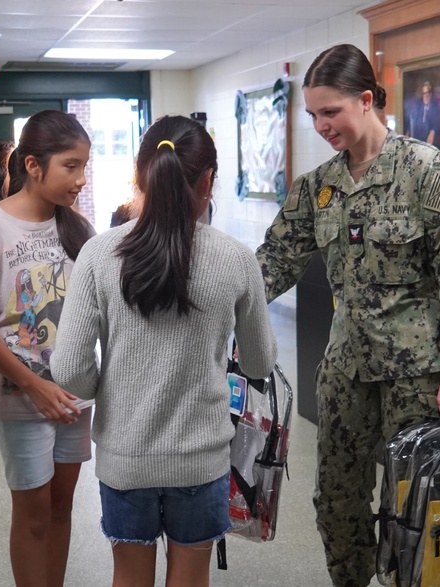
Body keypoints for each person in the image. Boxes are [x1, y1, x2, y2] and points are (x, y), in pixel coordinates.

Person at [255, 44, 440, 587]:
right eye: (312, 114)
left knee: (417, 506)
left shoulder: (426, 172)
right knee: (336, 502)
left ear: (366, 100)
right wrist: (207, 300)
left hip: (419, 377)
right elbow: (270, 266)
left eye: (330, 111)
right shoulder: (318, 189)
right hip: (346, 372)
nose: (320, 125)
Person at [49, 115, 277, 587]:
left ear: (140, 175)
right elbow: (258, 363)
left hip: (125, 457)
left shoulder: (100, 253)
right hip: (202, 458)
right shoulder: (236, 259)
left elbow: (68, 368)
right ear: (208, 180)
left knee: (129, 578)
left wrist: (108, 388)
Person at [0, 110, 94, 587]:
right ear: (33, 165)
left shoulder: (78, 229)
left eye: (84, 167)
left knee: (61, 507)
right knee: (33, 513)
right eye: (70, 166)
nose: (80, 179)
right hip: (22, 396)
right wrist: (32, 384)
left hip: (74, 396)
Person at [405, 80, 440, 151]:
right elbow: (414, 122)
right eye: (424, 93)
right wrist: (407, 133)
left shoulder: (435, 107)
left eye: (428, 93)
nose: (426, 96)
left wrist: (432, 132)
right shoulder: (419, 107)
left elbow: (437, 125)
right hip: (418, 142)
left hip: (430, 146)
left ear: (431, 94)